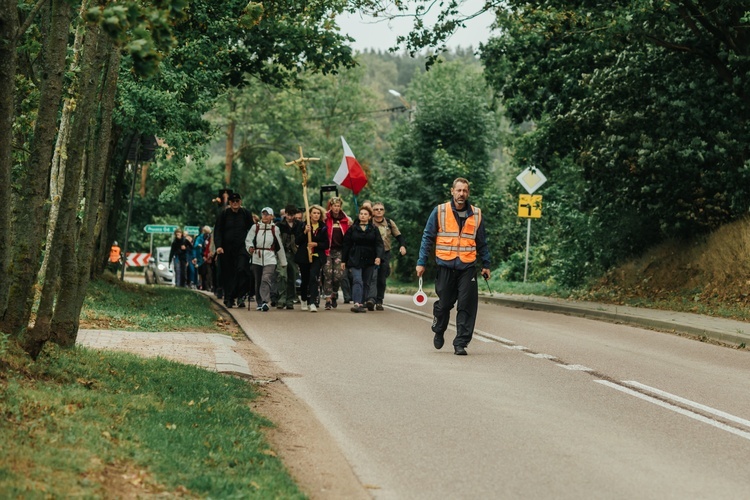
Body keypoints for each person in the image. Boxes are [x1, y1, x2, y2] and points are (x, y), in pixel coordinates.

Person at [416, 178, 491, 355]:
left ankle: (461, 343)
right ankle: (439, 328)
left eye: (465, 190)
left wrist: (486, 264)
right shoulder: (440, 211)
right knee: (444, 305)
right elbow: (427, 237)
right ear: (452, 191)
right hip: (445, 266)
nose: (461, 194)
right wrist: (421, 262)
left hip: (467, 267)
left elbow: (482, 242)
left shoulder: (477, 214)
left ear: (468, 193)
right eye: (458, 190)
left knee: (467, 304)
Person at [214, 192, 253, 308]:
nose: (235, 203)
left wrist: (252, 245)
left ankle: (240, 296)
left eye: (237, 201)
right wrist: (219, 246)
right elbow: (218, 231)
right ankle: (229, 297)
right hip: (227, 249)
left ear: (240, 202)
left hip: (242, 247)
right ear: (230, 203)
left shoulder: (246, 214)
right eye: (232, 201)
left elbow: (251, 230)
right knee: (228, 274)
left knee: (242, 270)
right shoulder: (224, 214)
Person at [342, 206, 384, 313]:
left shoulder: (374, 229)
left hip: (369, 258)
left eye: (365, 214)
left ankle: (362, 302)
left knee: (366, 282)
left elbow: (379, 244)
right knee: (357, 280)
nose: (363, 216)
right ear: (359, 215)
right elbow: (346, 244)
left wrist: (378, 257)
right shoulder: (352, 228)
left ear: (370, 216)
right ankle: (356, 303)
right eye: (361, 213)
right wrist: (343, 260)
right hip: (355, 257)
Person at [366, 202, 407, 311]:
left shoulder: (389, 222)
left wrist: (402, 246)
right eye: (376, 209)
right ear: (372, 212)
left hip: (385, 253)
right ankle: (370, 299)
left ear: (384, 211)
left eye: (381, 209)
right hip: (371, 254)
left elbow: (399, 236)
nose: (379, 211)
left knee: (381, 279)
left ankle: (379, 301)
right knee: (371, 277)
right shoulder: (368, 222)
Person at [246, 207, 287, 312]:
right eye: (263, 214)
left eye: (267, 214)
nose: (265, 216)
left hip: (270, 257)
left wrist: (283, 261)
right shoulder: (255, 227)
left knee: (266, 278)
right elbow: (248, 240)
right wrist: (250, 247)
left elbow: (279, 246)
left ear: (272, 216)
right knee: (258, 280)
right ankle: (259, 302)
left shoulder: (275, 229)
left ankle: (265, 301)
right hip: (256, 256)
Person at [295, 204, 328, 312]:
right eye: (314, 213)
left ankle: (313, 302)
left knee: (313, 276)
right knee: (305, 279)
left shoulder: (323, 227)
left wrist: (316, 244)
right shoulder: (302, 225)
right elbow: (297, 241)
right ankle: (304, 299)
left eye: (318, 213)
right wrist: (305, 232)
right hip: (304, 256)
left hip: (317, 256)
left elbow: (326, 244)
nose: (316, 215)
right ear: (309, 214)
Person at [322, 197, 351, 310]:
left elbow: (348, 236)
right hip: (328, 251)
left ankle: (334, 293)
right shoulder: (325, 218)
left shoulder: (345, 219)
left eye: (338, 206)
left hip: (340, 251)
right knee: (328, 274)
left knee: (338, 276)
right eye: (334, 206)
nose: (336, 208)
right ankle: (328, 299)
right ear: (331, 206)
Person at [276, 204, 303, 310]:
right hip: (282, 253)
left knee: (292, 276)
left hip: (294, 254)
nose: (291, 217)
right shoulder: (279, 225)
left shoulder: (299, 225)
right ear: (285, 214)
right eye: (289, 214)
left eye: (293, 214)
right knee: (282, 275)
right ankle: (281, 299)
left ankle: (290, 300)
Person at [194, 226, 213, 291]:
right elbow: (196, 246)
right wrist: (203, 256)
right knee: (202, 272)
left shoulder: (210, 237)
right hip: (201, 257)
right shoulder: (199, 237)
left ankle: (207, 286)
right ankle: (203, 285)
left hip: (207, 256)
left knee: (207, 272)